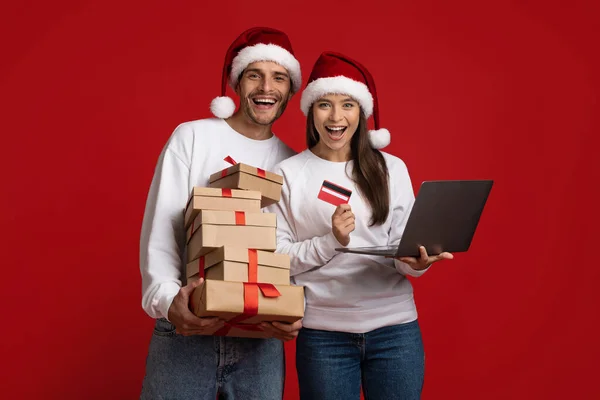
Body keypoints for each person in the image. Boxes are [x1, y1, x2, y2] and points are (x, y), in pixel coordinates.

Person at [268, 51, 454, 400]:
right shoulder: (288, 174)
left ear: (361, 113)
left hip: (395, 331)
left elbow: (401, 247)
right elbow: (277, 259)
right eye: (324, 104)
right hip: (323, 336)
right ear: (311, 111)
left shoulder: (391, 169)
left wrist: (416, 262)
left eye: (348, 105)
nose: (336, 117)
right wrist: (330, 239)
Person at [139, 27, 303, 400]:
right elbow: (165, 229)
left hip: (259, 342)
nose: (266, 88)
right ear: (236, 83)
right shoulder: (193, 137)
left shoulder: (294, 164)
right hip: (185, 326)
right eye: (254, 75)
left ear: (291, 89)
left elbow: (294, 252)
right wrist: (169, 303)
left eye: (278, 77)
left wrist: (295, 310)